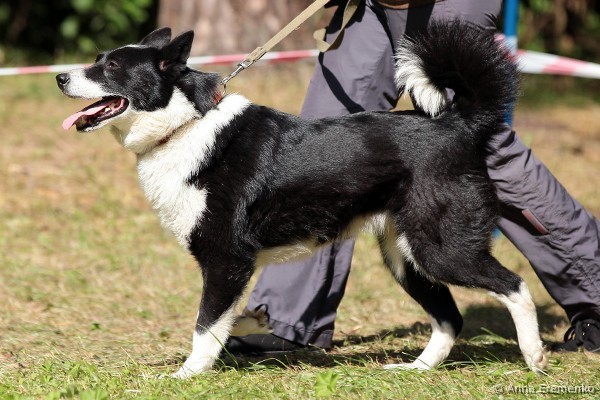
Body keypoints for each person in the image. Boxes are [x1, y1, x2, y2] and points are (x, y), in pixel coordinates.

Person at [226, 0, 600, 355]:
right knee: (321, 142)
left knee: (476, 143)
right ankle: (284, 317)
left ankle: (595, 293)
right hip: (374, 6)